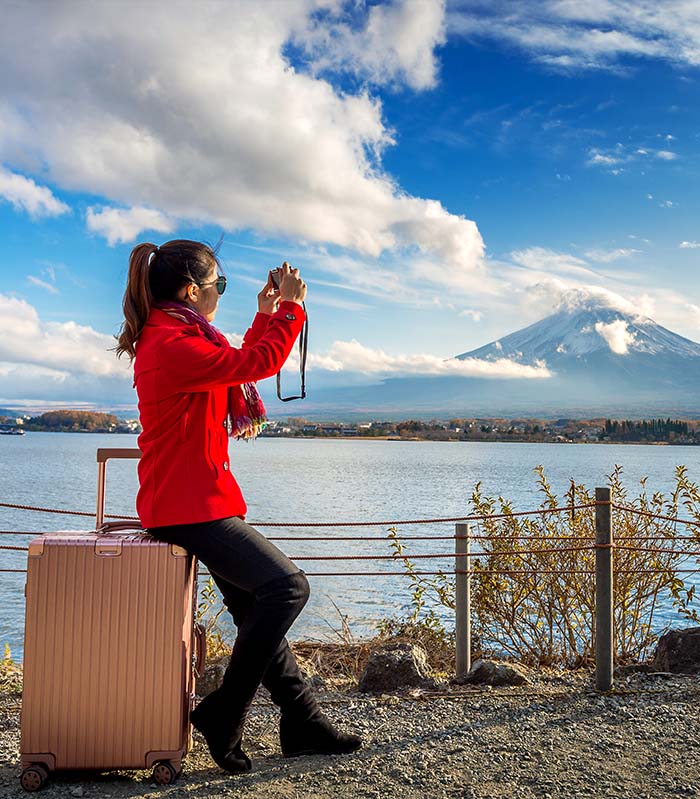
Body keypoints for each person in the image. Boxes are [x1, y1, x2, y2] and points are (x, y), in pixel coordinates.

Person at [115, 239, 361, 773]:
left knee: (254, 610)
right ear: (190, 290)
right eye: (217, 287)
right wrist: (292, 309)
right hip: (191, 505)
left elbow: (234, 367)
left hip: (192, 498)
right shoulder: (173, 343)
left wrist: (265, 313)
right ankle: (225, 712)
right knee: (287, 587)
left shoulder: (177, 334)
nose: (219, 296)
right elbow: (257, 361)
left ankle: (303, 722)